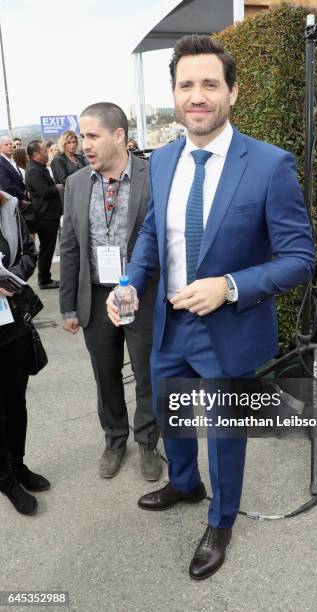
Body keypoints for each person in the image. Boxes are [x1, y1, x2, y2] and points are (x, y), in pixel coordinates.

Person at [107, 34, 315, 580]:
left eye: (209, 84)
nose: (197, 96)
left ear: (233, 92)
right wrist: (129, 281)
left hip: (229, 328)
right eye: (186, 85)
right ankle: (183, 483)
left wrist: (229, 285)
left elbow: (300, 259)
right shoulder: (164, 158)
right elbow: (154, 234)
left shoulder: (270, 165)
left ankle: (221, 520)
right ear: (174, 95)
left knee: (224, 432)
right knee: (173, 414)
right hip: (169, 324)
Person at [59, 102, 161, 481]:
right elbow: (70, 246)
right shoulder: (76, 183)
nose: (84, 144)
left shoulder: (152, 177)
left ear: (118, 135)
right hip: (96, 295)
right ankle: (115, 439)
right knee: (106, 375)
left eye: (92, 135)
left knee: (147, 373)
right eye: (82, 136)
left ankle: (148, 442)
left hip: (142, 295)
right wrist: (68, 306)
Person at [0, 190, 50, 515]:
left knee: (16, 399)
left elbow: (30, 251)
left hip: (13, 319)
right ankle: (5, 479)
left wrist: (12, 280)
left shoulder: (9, 206)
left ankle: (18, 465)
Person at [25, 140, 63, 289]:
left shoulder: (40, 167)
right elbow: (44, 192)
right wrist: (59, 187)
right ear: (35, 155)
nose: (46, 151)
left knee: (48, 247)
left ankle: (45, 278)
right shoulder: (34, 170)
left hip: (49, 213)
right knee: (47, 248)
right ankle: (44, 280)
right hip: (44, 215)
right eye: (43, 150)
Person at [0, 136, 26, 201]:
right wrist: (23, 196)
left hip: (23, 197)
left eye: (11, 144)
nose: (9, 146)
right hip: (14, 200)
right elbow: (7, 186)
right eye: (6, 145)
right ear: (0, 148)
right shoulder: (1, 163)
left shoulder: (13, 160)